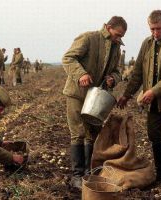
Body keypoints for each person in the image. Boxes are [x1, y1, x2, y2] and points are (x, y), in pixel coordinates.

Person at [117, 10, 161, 185]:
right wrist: (127, 95)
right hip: (154, 100)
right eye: (152, 29)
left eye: (158, 28)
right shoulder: (147, 44)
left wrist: (153, 91)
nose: (155, 33)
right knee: (154, 134)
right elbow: (138, 73)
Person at [62, 16, 127, 188]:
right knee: (78, 132)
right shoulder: (88, 38)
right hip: (77, 93)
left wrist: (113, 78)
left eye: (121, 36)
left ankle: (88, 173)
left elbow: (118, 71)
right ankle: (77, 175)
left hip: (96, 96)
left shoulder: (116, 48)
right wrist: (81, 74)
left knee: (92, 132)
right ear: (108, 27)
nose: (118, 38)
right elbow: (68, 58)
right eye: (117, 34)